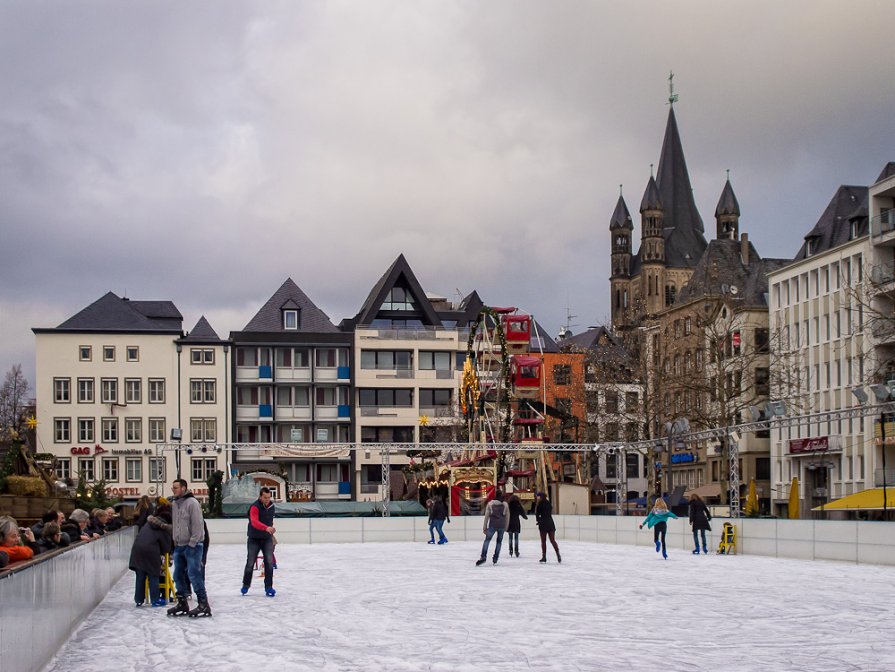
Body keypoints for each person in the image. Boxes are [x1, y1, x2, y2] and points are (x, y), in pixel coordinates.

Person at [167, 479, 211, 617]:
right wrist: (174, 542)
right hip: (179, 545)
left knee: (193, 574)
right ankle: (182, 602)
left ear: (184, 488)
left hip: (193, 546)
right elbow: (175, 525)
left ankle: (203, 604)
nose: (173, 490)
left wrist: (192, 543)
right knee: (177, 575)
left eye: (176, 487)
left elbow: (198, 526)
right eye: (172, 487)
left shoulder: (192, 503)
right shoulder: (175, 504)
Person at [129, 504, 173, 607]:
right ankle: (155, 599)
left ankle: (138, 599)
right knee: (153, 574)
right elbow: (166, 548)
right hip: (151, 552)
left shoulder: (148, 524)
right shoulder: (164, 529)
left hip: (137, 550)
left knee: (140, 575)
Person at [242, 486, 277, 597]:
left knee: (269, 563)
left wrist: (271, 529)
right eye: (265, 497)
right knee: (250, 563)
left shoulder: (271, 506)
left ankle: (269, 587)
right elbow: (254, 522)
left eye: (268, 497)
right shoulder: (254, 507)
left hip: (266, 538)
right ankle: (246, 585)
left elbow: (270, 521)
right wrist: (266, 528)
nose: (267, 500)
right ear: (260, 497)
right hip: (254, 539)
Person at [475, 489, 509, 566]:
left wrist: (484, 527)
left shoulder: (490, 504)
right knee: (499, 542)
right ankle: (495, 558)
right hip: (501, 526)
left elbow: (486, 516)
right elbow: (507, 516)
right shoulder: (505, 504)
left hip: (492, 525)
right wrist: (506, 527)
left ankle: (483, 557)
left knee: (487, 540)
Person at [535, 492, 561, 564]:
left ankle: (544, 557)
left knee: (543, 541)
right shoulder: (548, 503)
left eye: (538, 496)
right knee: (552, 540)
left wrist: (538, 520)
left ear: (540, 497)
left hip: (543, 524)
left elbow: (537, 514)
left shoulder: (539, 504)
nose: (537, 498)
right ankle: (558, 554)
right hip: (550, 523)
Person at [505, 493, 528, 558]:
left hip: (509, 523)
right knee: (516, 538)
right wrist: (525, 517)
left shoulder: (508, 505)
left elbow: (505, 513)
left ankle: (510, 550)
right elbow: (522, 513)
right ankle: (516, 551)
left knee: (510, 538)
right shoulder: (518, 505)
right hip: (516, 523)